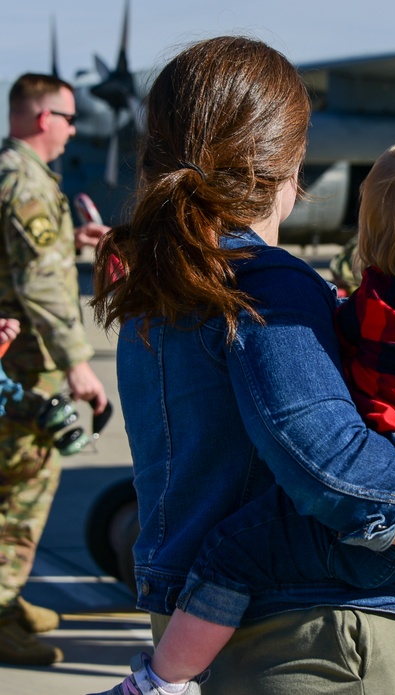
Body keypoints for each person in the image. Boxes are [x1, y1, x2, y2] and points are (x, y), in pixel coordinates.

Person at [89, 37, 395, 695]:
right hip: (323, 637)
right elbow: (339, 473)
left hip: (206, 625)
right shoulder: (268, 284)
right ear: (288, 168)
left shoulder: (160, 287)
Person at [0, 73, 110, 666]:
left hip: (10, 363)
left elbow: (21, 261)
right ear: (45, 119)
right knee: (22, 492)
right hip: (26, 371)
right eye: (69, 119)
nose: (74, 131)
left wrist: (70, 240)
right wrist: (77, 365)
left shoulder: (11, 175)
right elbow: (38, 285)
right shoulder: (28, 185)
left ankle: (7, 601)